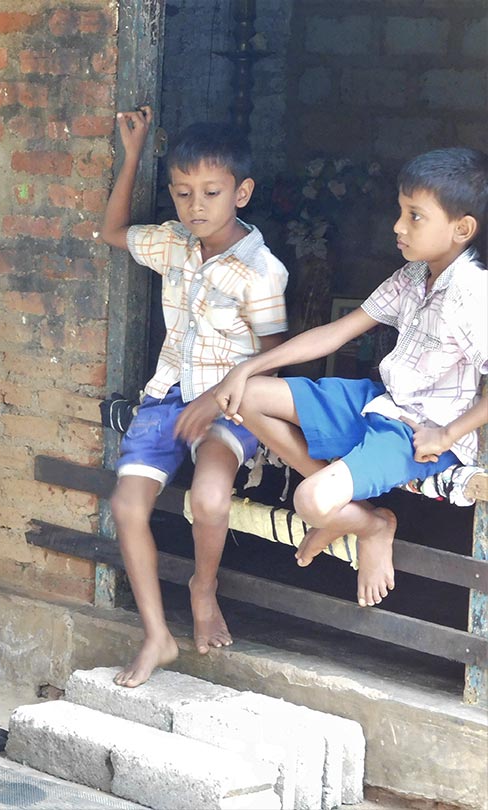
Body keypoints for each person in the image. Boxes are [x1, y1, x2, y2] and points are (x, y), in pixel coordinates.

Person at [211, 147, 488, 609]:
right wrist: (247, 366)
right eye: (401, 212)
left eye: (414, 216)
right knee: (250, 396)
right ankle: (350, 512)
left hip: (415, 433)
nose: (398, 227)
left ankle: (371, 525)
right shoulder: (414, 275)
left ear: (461, 229)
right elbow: (336, 333)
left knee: (311, 502)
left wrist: (449, 433)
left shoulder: (475, 293)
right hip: (379, 403)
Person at [98, 108, 288, 688]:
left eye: (211, 192)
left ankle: (203, 587)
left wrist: (217, 400)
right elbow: (112, 232)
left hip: (234, 404)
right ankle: (158, 634)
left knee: (209, 499)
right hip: (166, 395)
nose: (195, 206)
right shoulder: (175, 244)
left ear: (242, 192)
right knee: (126, 506)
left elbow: (278, 356)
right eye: (183, 193)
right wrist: (132, 157)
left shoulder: (260, 271)